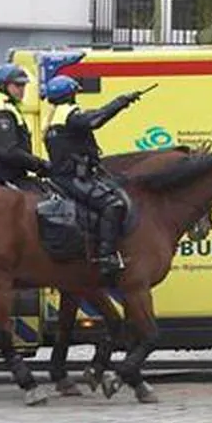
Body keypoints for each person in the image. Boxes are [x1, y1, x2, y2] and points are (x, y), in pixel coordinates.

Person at [41, 74, 143, 284]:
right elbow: (96, 119)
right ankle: (106, 256)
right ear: (69, 95)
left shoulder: (53, 116)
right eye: (74, 93)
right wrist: (121, 102)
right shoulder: (69, 115)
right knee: (112, 204)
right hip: (73, 178)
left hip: (64, 176)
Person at [0, 63, 51, 192]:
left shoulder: (10, 107)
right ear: (3, 86)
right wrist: (40, 165)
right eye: (17, 85)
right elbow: (8, 151)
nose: (22, 89)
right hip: (1, 181)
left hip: (9, 177)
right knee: (50, 204)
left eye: (23, 85)